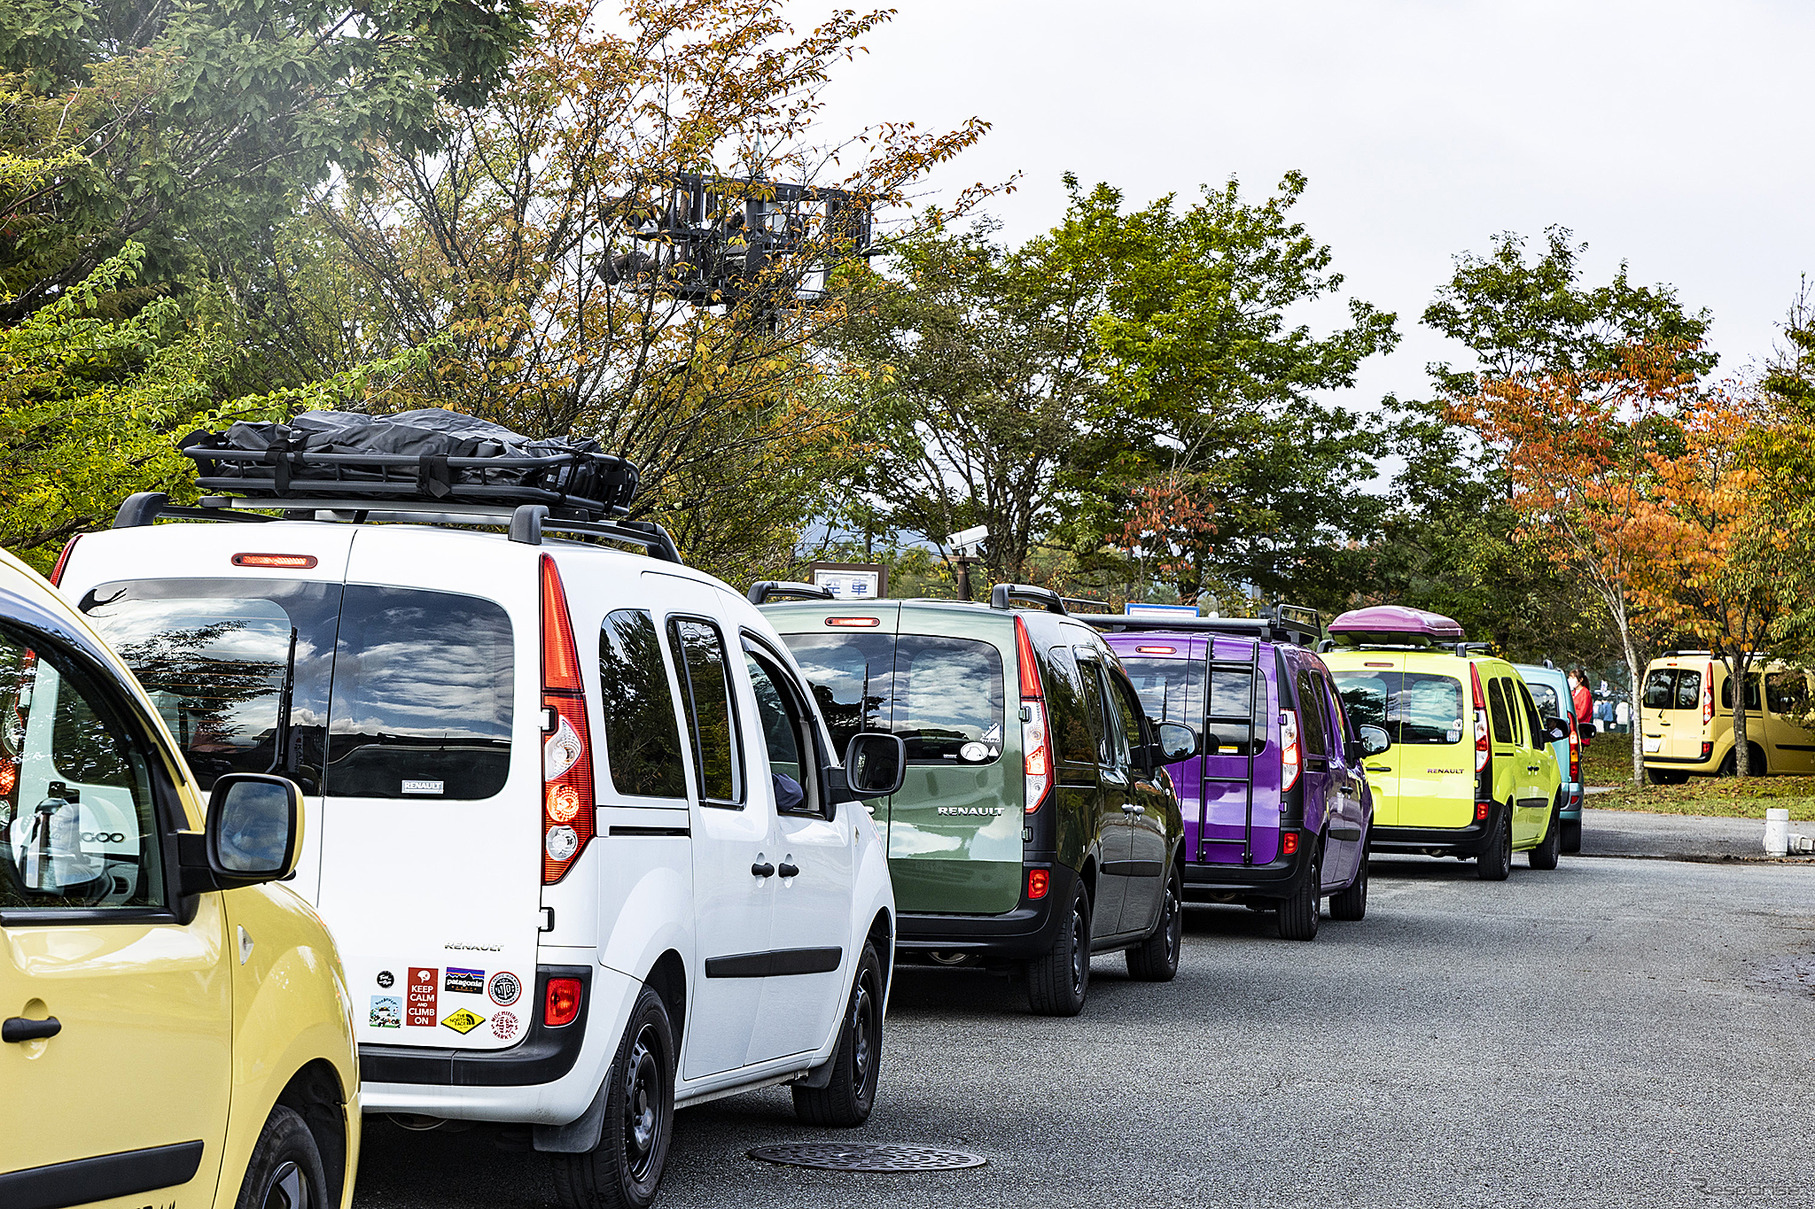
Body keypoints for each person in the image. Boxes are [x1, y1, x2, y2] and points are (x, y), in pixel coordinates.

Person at [1571, 668, 1594, 746]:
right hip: (1572, 730)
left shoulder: (1585, 693)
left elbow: (1581, 714)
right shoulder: (1572, 693)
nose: (1571, 680)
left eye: (1573, 678)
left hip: (1580, 731)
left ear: (1580, 680)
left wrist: (1570, 717)